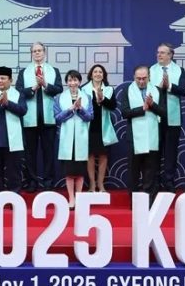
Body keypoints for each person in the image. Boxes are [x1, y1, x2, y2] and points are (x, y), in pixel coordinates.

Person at [16, 42, 63, 192]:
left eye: (39, 50)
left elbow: (59, 89)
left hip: (49, 118)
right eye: (34, 51)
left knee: (48, 152)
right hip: (29, 118)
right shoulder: (24, 72)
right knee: (30, 153)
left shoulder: (53, 70)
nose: (37, 53)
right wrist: (33, 88)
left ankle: (48, 182)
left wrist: (45, 85)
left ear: (44, 52)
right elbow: (18, 91)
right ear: (31, 53)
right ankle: (32, 182)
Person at [120, 65, 165, 201]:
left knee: (150, 171)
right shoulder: (127, 90)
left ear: (149, 77)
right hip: (134, 138)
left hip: (152, 136)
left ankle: (149, 201)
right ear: (134, 77)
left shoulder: (157, 90)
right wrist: (143, 108)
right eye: (138, 78)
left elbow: (164, 112)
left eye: (144, 78)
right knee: (133, 172)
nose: (141, 81)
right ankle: (134, 202)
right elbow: (125, 112)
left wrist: (152, 105)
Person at [149, 42, 185, 193]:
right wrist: (159, 88)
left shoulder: (179, 70)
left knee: (171, 152)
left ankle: (169, 182)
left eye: (162, 52)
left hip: (173, 118)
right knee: (154, 152)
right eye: (158, 52)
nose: (159, 55)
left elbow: (184, 90)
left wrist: (170, 86)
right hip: (154, 117)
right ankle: (154, 183)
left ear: (170, 55)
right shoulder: (151, 70)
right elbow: (146, 91)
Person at [53, 70, 93, 209]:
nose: (73, 83)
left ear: (80, 82)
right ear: (67, 82)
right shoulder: (59, 98)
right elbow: (57, 117)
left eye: (75, 80)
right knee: (69, 173)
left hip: (81, 138)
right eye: (70, 80)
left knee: (80, 173)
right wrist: (71, 109)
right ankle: (71, 198)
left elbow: (90, 117)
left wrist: (80, 108)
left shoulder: (87, 97)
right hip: (67, 138)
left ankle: (79, 197)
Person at [81, 64, 119, 193]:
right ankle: (92, 184)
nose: (98, 74)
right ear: (91, 75)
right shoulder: (84, 89)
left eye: (100, 72)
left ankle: (100, 184)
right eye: (95, 72)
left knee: (103, 155)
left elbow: (113, 106)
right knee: (90, 155)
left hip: (104, 127)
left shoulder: (109, 89)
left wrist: (102, 99)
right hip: (89, 126)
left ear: (104, 75)